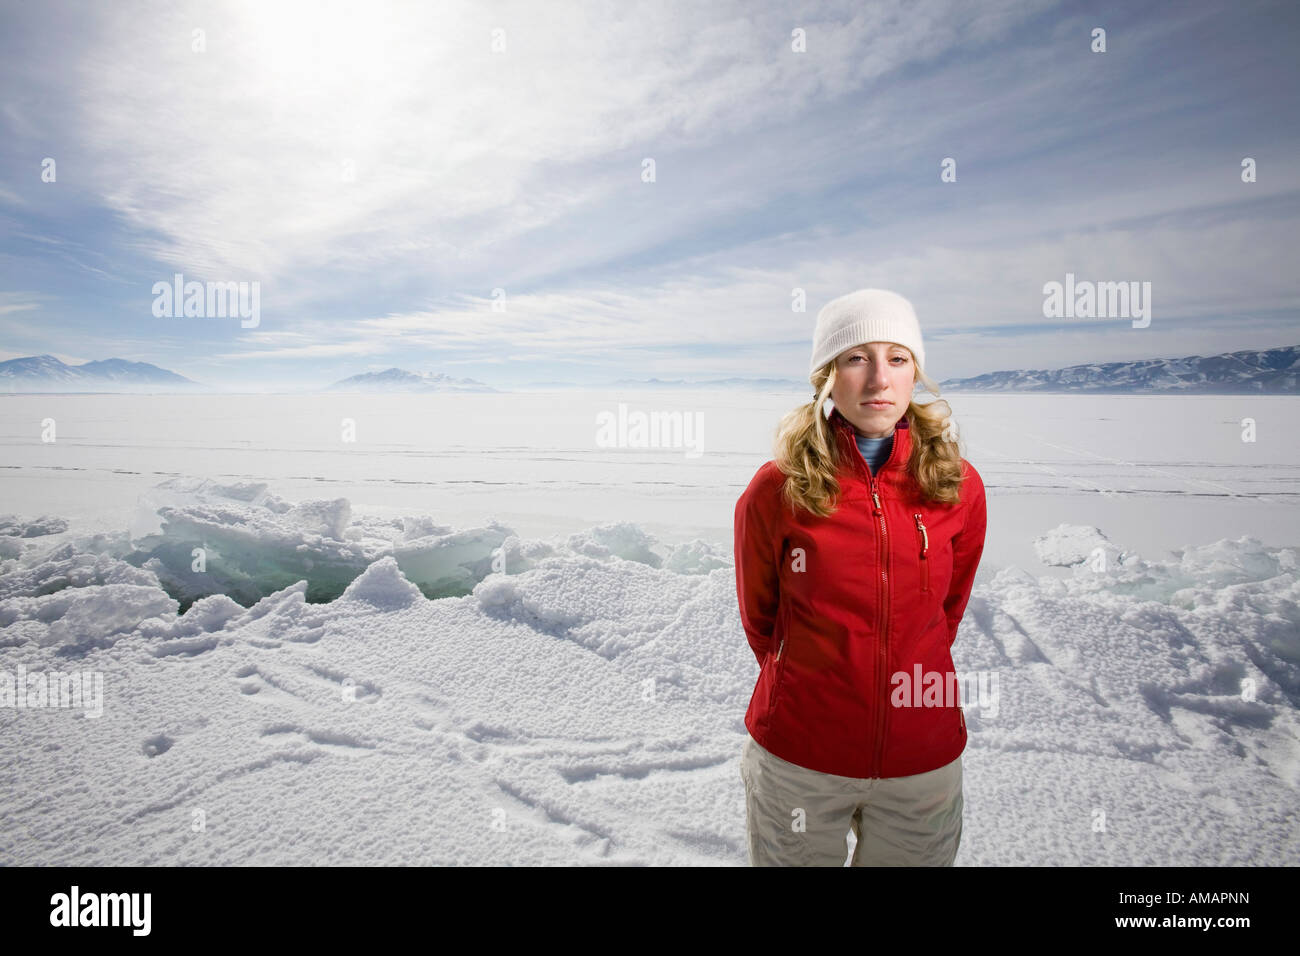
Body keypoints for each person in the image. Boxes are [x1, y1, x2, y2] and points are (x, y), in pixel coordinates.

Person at [733, 288, 987, 867]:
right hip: (800, 758)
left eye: (897, 358)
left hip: (921, 763)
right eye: (856, 358)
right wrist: (815, 683)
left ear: (915, 372)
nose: (879, 379)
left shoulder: (956, 485)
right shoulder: (778, 489)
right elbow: (762, 619)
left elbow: (945, 612)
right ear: (827, 375)